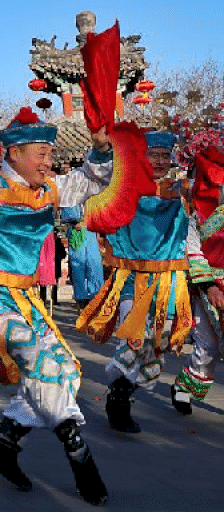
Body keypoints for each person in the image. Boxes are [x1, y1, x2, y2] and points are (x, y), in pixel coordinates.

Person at [0, 109, 112, 506]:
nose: (49, 162)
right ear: (13, 152)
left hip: (26, 298)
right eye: (42, 153)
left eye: (50, 154)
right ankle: (78, 453)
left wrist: (100, 148)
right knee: (44, 366)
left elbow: (90, 180)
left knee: (65, 371)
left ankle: (4, 441)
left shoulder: (50, 188)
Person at [75, 130, 199, 433]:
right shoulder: (123, 188)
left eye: (163, 155)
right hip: (132, 277)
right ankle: (118, 398)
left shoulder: (182, 189)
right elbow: (95, 174)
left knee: (158, 344)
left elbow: (211, 186)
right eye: (152, 154)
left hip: (171, 280)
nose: (158, 161)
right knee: (133, 337)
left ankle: (126, 389)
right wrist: (102, 148)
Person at [171, 128, 224, 416]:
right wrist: (211, 286)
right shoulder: (196, 218)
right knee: (207, 343)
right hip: (208, 285)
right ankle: (183, 388)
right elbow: (193, 251)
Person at [62, 204, 104, 308]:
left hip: (89, 229)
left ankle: (96, 295)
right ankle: (82, 298)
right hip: (77, 230)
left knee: (94, 263)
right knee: (78, 264)